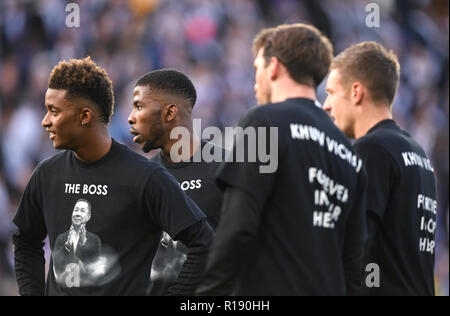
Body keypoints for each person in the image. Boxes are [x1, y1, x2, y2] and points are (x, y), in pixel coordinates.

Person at [12, 57, 214, 296]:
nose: (45, 121)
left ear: (84, 116)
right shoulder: (46, 174)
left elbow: (203, 241)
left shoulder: (145, 177)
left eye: (54, 111)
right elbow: (25, 242)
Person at [196, 24, 367, 296]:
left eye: (256, 70)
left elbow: (238, 224)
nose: (255, 82)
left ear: (273, 67)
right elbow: (354, 266)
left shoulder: (263, 122)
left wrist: (206, 296)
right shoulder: (351, 156)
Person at [323, 41, 437, 296]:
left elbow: (352, 245)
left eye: (331, 92)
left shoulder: (372, 149)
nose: (326, 105)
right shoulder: (418, 155)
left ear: (356, 92)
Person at [128, 69, 225, 295]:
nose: (131, 117)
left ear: (169, 112)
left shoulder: (226, 168)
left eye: (139, 106)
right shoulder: (141, 178)